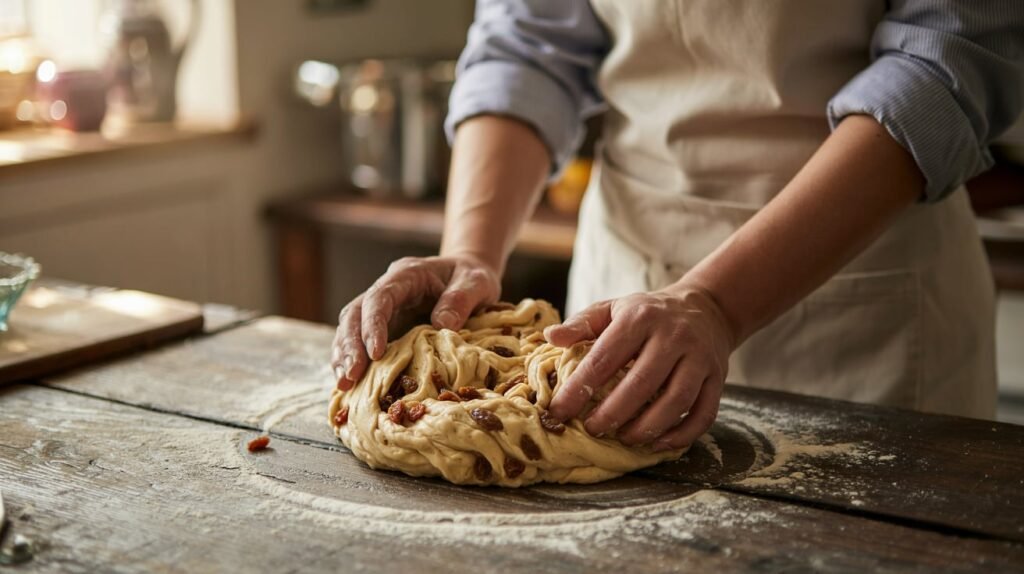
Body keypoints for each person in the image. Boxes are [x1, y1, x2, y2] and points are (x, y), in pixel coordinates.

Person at [332, 1, 1024, 451]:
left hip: (863, 290)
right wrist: (469, 252)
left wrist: (719, 303)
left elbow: (944, 67)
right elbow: (527, 45)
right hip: (625, 278)